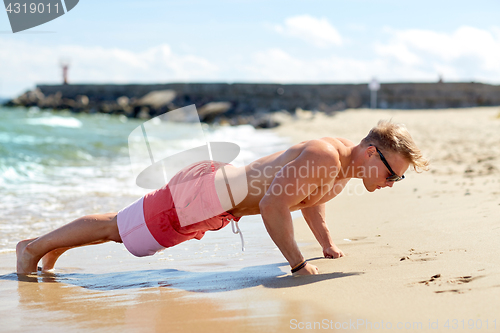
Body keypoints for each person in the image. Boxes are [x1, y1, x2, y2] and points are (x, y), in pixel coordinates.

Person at [16, 120, 429, 276]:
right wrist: (298, 264)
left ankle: (54, 250)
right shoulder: (325, 155)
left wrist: (326, 244)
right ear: (372, 152)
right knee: (122, 230)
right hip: (209, 194)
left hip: (219, 201)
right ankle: (32, 248)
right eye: (392, 173)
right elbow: (273, 205)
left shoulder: (343, 166)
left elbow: (308, 199)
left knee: (123, 231)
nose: (392, 183)